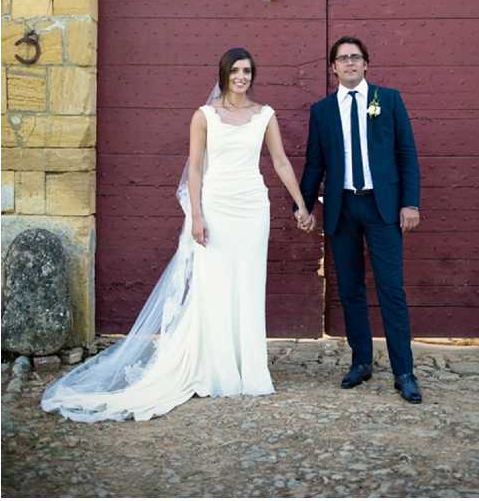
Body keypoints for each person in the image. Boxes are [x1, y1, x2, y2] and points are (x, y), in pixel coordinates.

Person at [41, 47, 313, 422]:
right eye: (235, 71)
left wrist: (300, 204)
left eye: (247, 71)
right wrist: (197, 216)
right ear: (223, 74)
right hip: (216, 208)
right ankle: (215, 369)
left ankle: (249, 370)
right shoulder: (204, 116)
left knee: (249, 284)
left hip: (253, 208)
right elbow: (196, 170)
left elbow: (280, 161)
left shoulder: (265, 115)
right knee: (213, 285)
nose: (241, 77)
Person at [298, 36, 422, 403]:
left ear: (366, 64)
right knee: (350, 289)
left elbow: (407, 155)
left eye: (356, 58)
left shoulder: (389, 100)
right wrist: (302, 207)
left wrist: (410, 203)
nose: (349, 63)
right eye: (342, 59)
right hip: (342, 209)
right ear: (333, 68)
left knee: (391, 290)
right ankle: (361, 362)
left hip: (382, 208)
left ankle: (404, 372)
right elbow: (314, 164)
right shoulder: (321, 112)